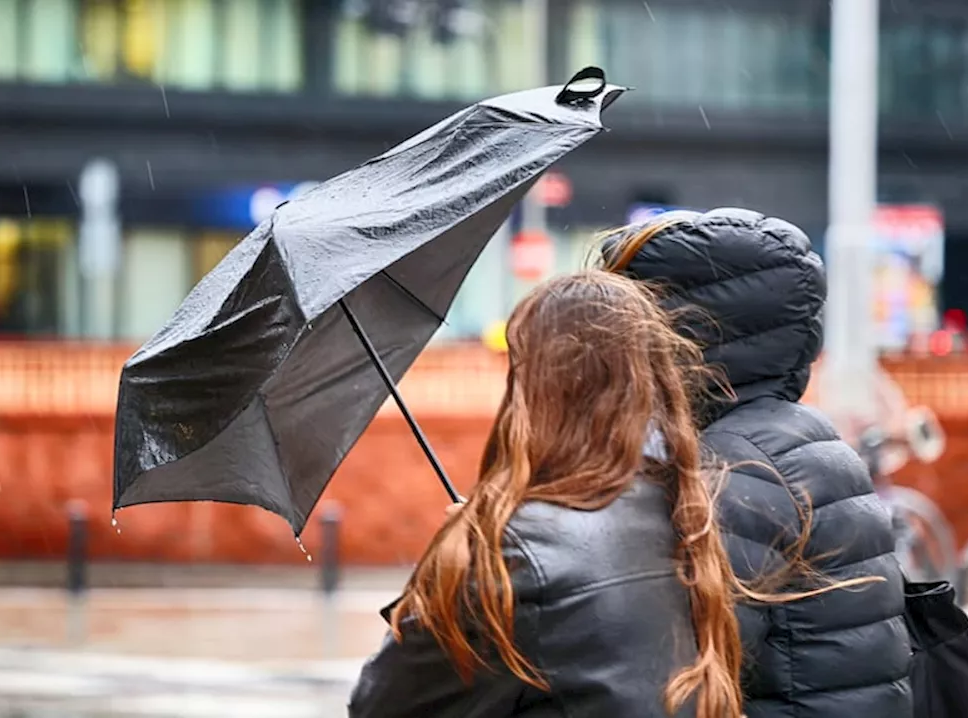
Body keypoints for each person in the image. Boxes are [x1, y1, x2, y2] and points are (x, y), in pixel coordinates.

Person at [348, 271, 871, 718]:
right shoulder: (687, 512)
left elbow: (381, 706)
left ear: (536, 387)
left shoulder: (510, 550)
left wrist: (454, 564)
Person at [601, 208, 911, 717]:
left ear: (682, 334)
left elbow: (681, 666)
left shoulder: (739, 471)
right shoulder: (789, 437)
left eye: (624, 322)